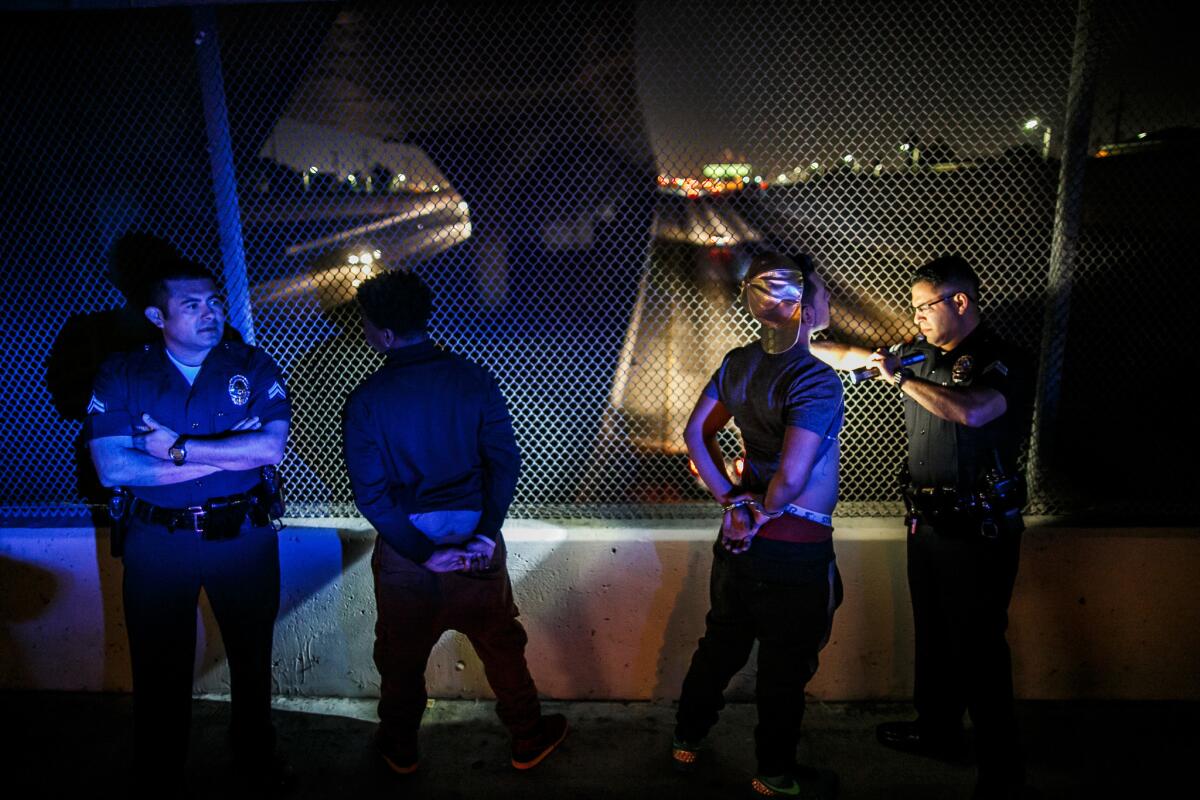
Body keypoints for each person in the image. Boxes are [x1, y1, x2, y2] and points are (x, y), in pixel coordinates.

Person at [812, 255, 1032, 800]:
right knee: (933, 634)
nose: (917, 319)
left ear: (960, 301)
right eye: (913, 309)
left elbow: (974, 412)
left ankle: (999, 766)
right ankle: (935, 730)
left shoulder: (1003, 360)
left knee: (979, 645)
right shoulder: (918, 354)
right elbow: (850, 356)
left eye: (924, 307)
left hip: (979, 530)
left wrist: (903, 379)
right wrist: (796, 339)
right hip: (928, 524)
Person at [341, 267, 567, 776]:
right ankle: (527, 738)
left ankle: (399, 747)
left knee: (400, 657)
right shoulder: (473, 378)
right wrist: (485, 532)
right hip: (475, 540)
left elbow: (371, 494)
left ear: (385, 333)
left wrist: (423, 552)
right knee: (501, 644)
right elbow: (504, 462)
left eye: (365, 324)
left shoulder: (366, 400)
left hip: (407, 550)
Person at [85, 255, 292, 795]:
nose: (210, 313)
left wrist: (176, 449)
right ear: (158, 317)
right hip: (158, 544)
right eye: (192, 305)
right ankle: (159, 772)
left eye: (214, 302)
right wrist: (227, 454)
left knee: (252, 661)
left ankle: (254, 760)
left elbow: (271, 447)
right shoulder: (123, 373)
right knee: (159, 669)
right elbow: (113, 467)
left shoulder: (251, 363)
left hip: (243, 539)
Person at [672, 251, 844, 799]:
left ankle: (686, 739)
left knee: (721, 642)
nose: (828, 300)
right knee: (784, 666)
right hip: (794, 544)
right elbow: (791, 480)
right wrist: (762, 513)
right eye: (820, 293)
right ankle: (774, 774)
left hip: (738, 541)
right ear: (797, 306)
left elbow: (696, 435)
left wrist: (733, 507)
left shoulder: (737, 363)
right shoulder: (814, 380)